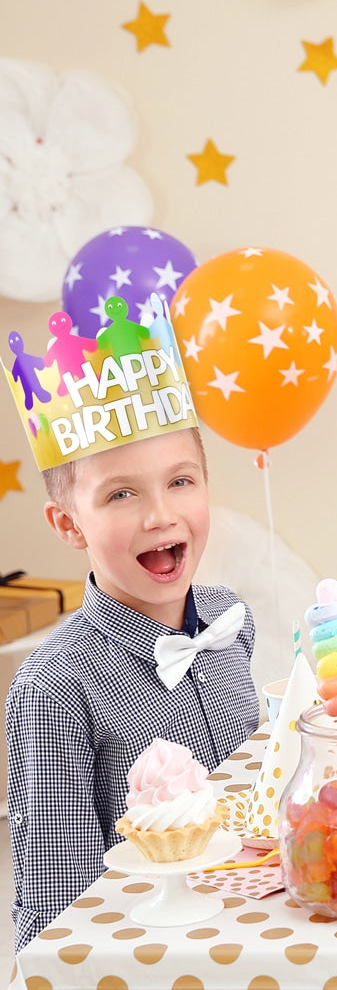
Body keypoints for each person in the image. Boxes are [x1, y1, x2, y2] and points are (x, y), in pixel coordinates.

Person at [5, 309, 258, 952]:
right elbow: (53, 906)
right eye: (121, 494)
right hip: (153, 966)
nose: (160, 515)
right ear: (69, 525)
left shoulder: (231, 619)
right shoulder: (54, 688)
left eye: (180, 482)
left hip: (259, 934)